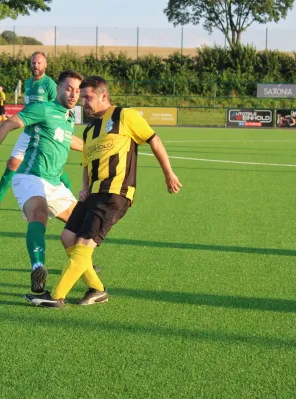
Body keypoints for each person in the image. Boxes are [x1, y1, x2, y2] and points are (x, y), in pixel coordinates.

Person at [25, 75, 182, 308]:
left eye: (88, 97)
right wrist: (85, 188)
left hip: (115, 193)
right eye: (82, 98)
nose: (83, 102)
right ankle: (97, 290)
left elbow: (154, 140)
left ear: (103, 95)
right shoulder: (89, 131)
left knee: (84, 245)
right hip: (94, 194)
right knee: (67, 236)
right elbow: (87, 163)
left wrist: (168, 173)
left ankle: (57, 296)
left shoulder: (124, 116)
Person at [0, 70, 85, 293]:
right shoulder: (43, 108)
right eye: (69, 89)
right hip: (30, 176)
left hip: (55, 183)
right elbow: (8, 123)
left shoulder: (69, 117)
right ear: (57, 89)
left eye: (77, 90)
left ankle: (82, 265)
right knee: (38, 214)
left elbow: (68, 140)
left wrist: (94, 149)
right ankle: (38, 267)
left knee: (81, 224)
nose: (74, 94)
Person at [0, 51, 74, 211]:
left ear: (45, 65)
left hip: (45, 133)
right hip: (29, 131)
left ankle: (71, 195)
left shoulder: (49, 84)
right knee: (13, 163)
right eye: (33, 63)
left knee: (54, 168)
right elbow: (29, 108)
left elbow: (58, 106)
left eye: (39, 63)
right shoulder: (28, 83)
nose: (36, 66)